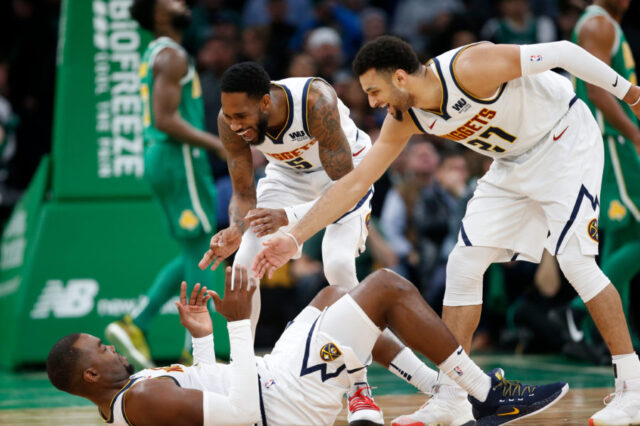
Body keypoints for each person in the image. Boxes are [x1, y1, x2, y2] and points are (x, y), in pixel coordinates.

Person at [252, 35, 640, 425]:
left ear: (401, 78)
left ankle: (632, 389)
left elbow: (566, 53)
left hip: (563, 139)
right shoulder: (404, 118)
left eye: (375, 91)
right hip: (509, 161)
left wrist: (631, 94)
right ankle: (453, 397)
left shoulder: (470, 69)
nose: (371, 103)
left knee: (576, 262)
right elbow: (354, 183)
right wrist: (295, 235)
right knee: (463, 264)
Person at [197, 61, 435, 424]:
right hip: (287, 180)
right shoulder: (230, 120)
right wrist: (235, 227)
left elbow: (345, 191)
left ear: (265, 103)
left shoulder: (314, 102)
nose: (233, 125)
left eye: (240, 116)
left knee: (337, 265)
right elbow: (244, 193)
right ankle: (241, 375)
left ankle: (359, 385)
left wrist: (289, 220)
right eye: (228, 117)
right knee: (244, 263)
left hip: (346, 177)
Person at [47, 265, 568, 426]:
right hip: (285, 402)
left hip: (274, 382)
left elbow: (212, 388)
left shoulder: (128, 402)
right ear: (88, 375)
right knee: (384, 287)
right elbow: (240, 413)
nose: (111, 348)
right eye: (100, 347)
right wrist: (237, 328)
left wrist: (204, 336)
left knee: (333, 293)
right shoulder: (140, 401)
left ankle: (443, 392)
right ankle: (483, 393)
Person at [105, 0, 227, 370]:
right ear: (158, 13)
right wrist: (217, 143)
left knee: (194, 252)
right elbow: (165, 119)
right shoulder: (172, 56)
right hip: (179, 159)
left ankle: (136, 322)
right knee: (205, 247)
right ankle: (195, 350)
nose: (182, 3)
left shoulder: (157, 52)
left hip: (164, 159)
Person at [572, 0, 640, 349]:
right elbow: (597, 89)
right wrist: (634, 133)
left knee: (620, 237)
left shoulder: (604, 24)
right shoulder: (597, 25)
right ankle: (576, 308)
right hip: (612, 141)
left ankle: (613, 340)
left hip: (607, 142)